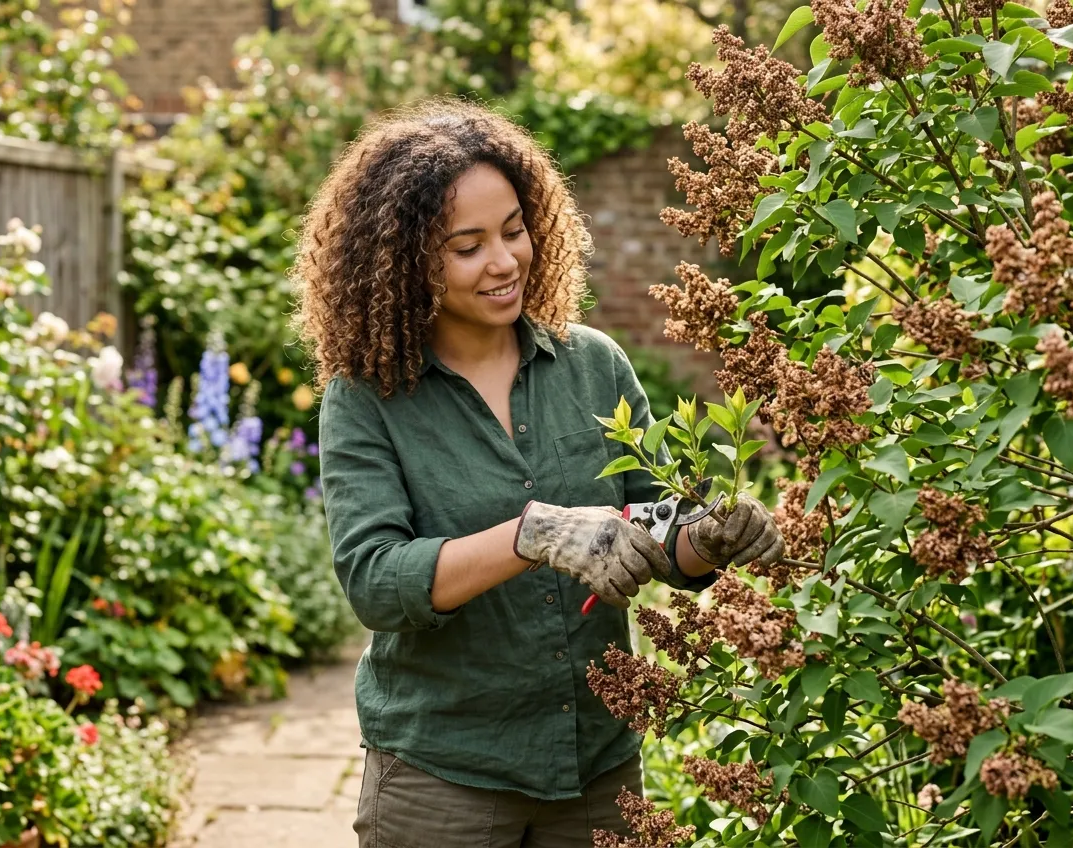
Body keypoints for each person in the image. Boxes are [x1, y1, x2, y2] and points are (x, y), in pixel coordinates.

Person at [292, 99, 785, 848]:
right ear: (403, 261)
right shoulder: (367, 397)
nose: (504, 261)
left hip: (597, 768)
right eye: (467, 246)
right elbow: (375, 580)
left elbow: (648, 526)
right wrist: (535, 533)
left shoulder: (593, 366)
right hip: (446, 778)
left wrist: (709, 537)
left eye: (515, 231)